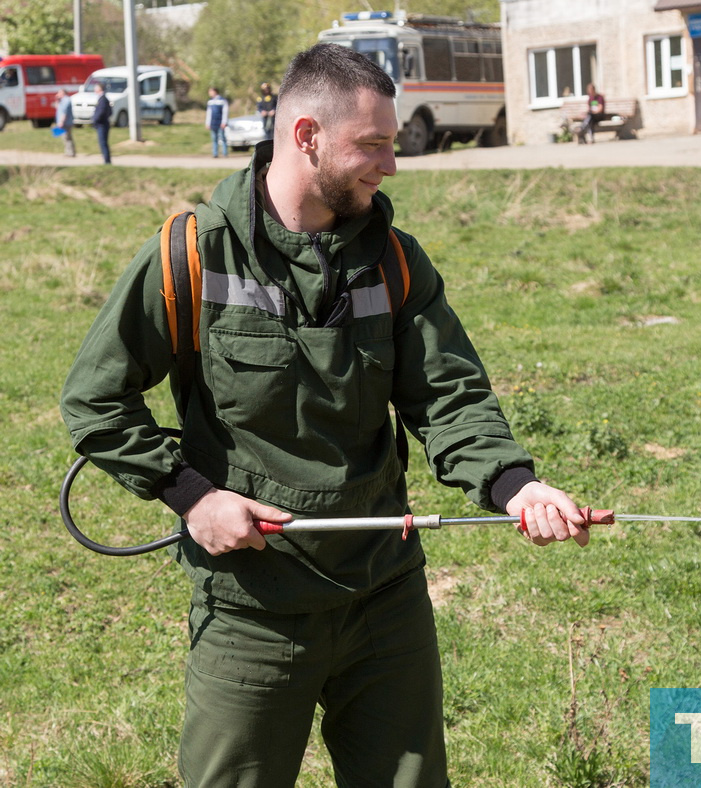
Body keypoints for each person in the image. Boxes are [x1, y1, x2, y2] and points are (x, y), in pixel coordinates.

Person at [61, 42, 589, 788]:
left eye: (393, 143)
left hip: (384, 598)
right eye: (373, 144)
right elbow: (94, 397)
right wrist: (193, 498)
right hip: (252, 607)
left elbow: (450, 396)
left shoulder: (397, 261)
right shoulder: (191, 256)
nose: (393, 163)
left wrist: (515, 486)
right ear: (306, 136)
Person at [205, 86, 229, 158]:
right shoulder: (210, 101)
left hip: (220, 122)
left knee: (222, 138)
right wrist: (207, 123)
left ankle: (225, 153)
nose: (209, 93)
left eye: (210, 91)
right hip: (213, 123)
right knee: (214, 138)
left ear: (215, 91)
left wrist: (224, 122)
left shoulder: (222, 101)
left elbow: (225, 112)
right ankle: (215, 153)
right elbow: (209, 113)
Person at [91, 81, 112, 164]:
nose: (94, 89)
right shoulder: (103, 98)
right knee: (103, 142)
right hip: (103, 123)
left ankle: (107, 161)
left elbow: (102, 111)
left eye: (96, 87)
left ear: (99, 89)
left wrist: (95, 119)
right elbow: (110, 112)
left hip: (102, 124)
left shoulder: (103, 99)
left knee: (103, 143)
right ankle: (106, 159)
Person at [54, 89, 75, 157]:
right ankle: (69, 151)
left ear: (63, 93)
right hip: (65, 122)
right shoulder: (62, 100)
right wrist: (57, 100)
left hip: (65, 123)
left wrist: (61, 121)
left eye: (59, 93)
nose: (58, 94)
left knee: (66, 138)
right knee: (66, 138)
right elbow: (57, 107)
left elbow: (64, 112)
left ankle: (70, 152)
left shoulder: (66, 100)